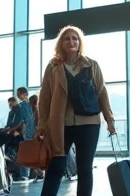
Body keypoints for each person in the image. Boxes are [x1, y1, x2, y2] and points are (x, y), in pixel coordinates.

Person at [38, 25, 117, 196]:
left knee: (84, 169)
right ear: (61, 43)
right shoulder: (53, 67)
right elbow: (44, 98)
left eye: (75, 38)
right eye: (67, 38)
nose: (71, 41)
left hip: (89, 124)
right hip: (61, 125)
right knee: (56, 166)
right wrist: (42, 124)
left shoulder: (92, 65)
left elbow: (102, 92)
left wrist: (109, 119)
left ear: (79, 42)